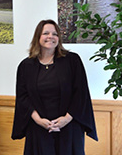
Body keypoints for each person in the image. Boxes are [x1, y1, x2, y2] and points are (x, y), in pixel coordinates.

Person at [11, 19, 98, 155]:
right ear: (38, 37)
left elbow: (81, 94)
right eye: (46, 33)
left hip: (69, 127)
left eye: (55, 34)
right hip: (39, 128)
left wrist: (66, 119)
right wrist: (38, 120)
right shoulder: (26, 66)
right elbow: (23, 98)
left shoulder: (72, 61)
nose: (50, 36)